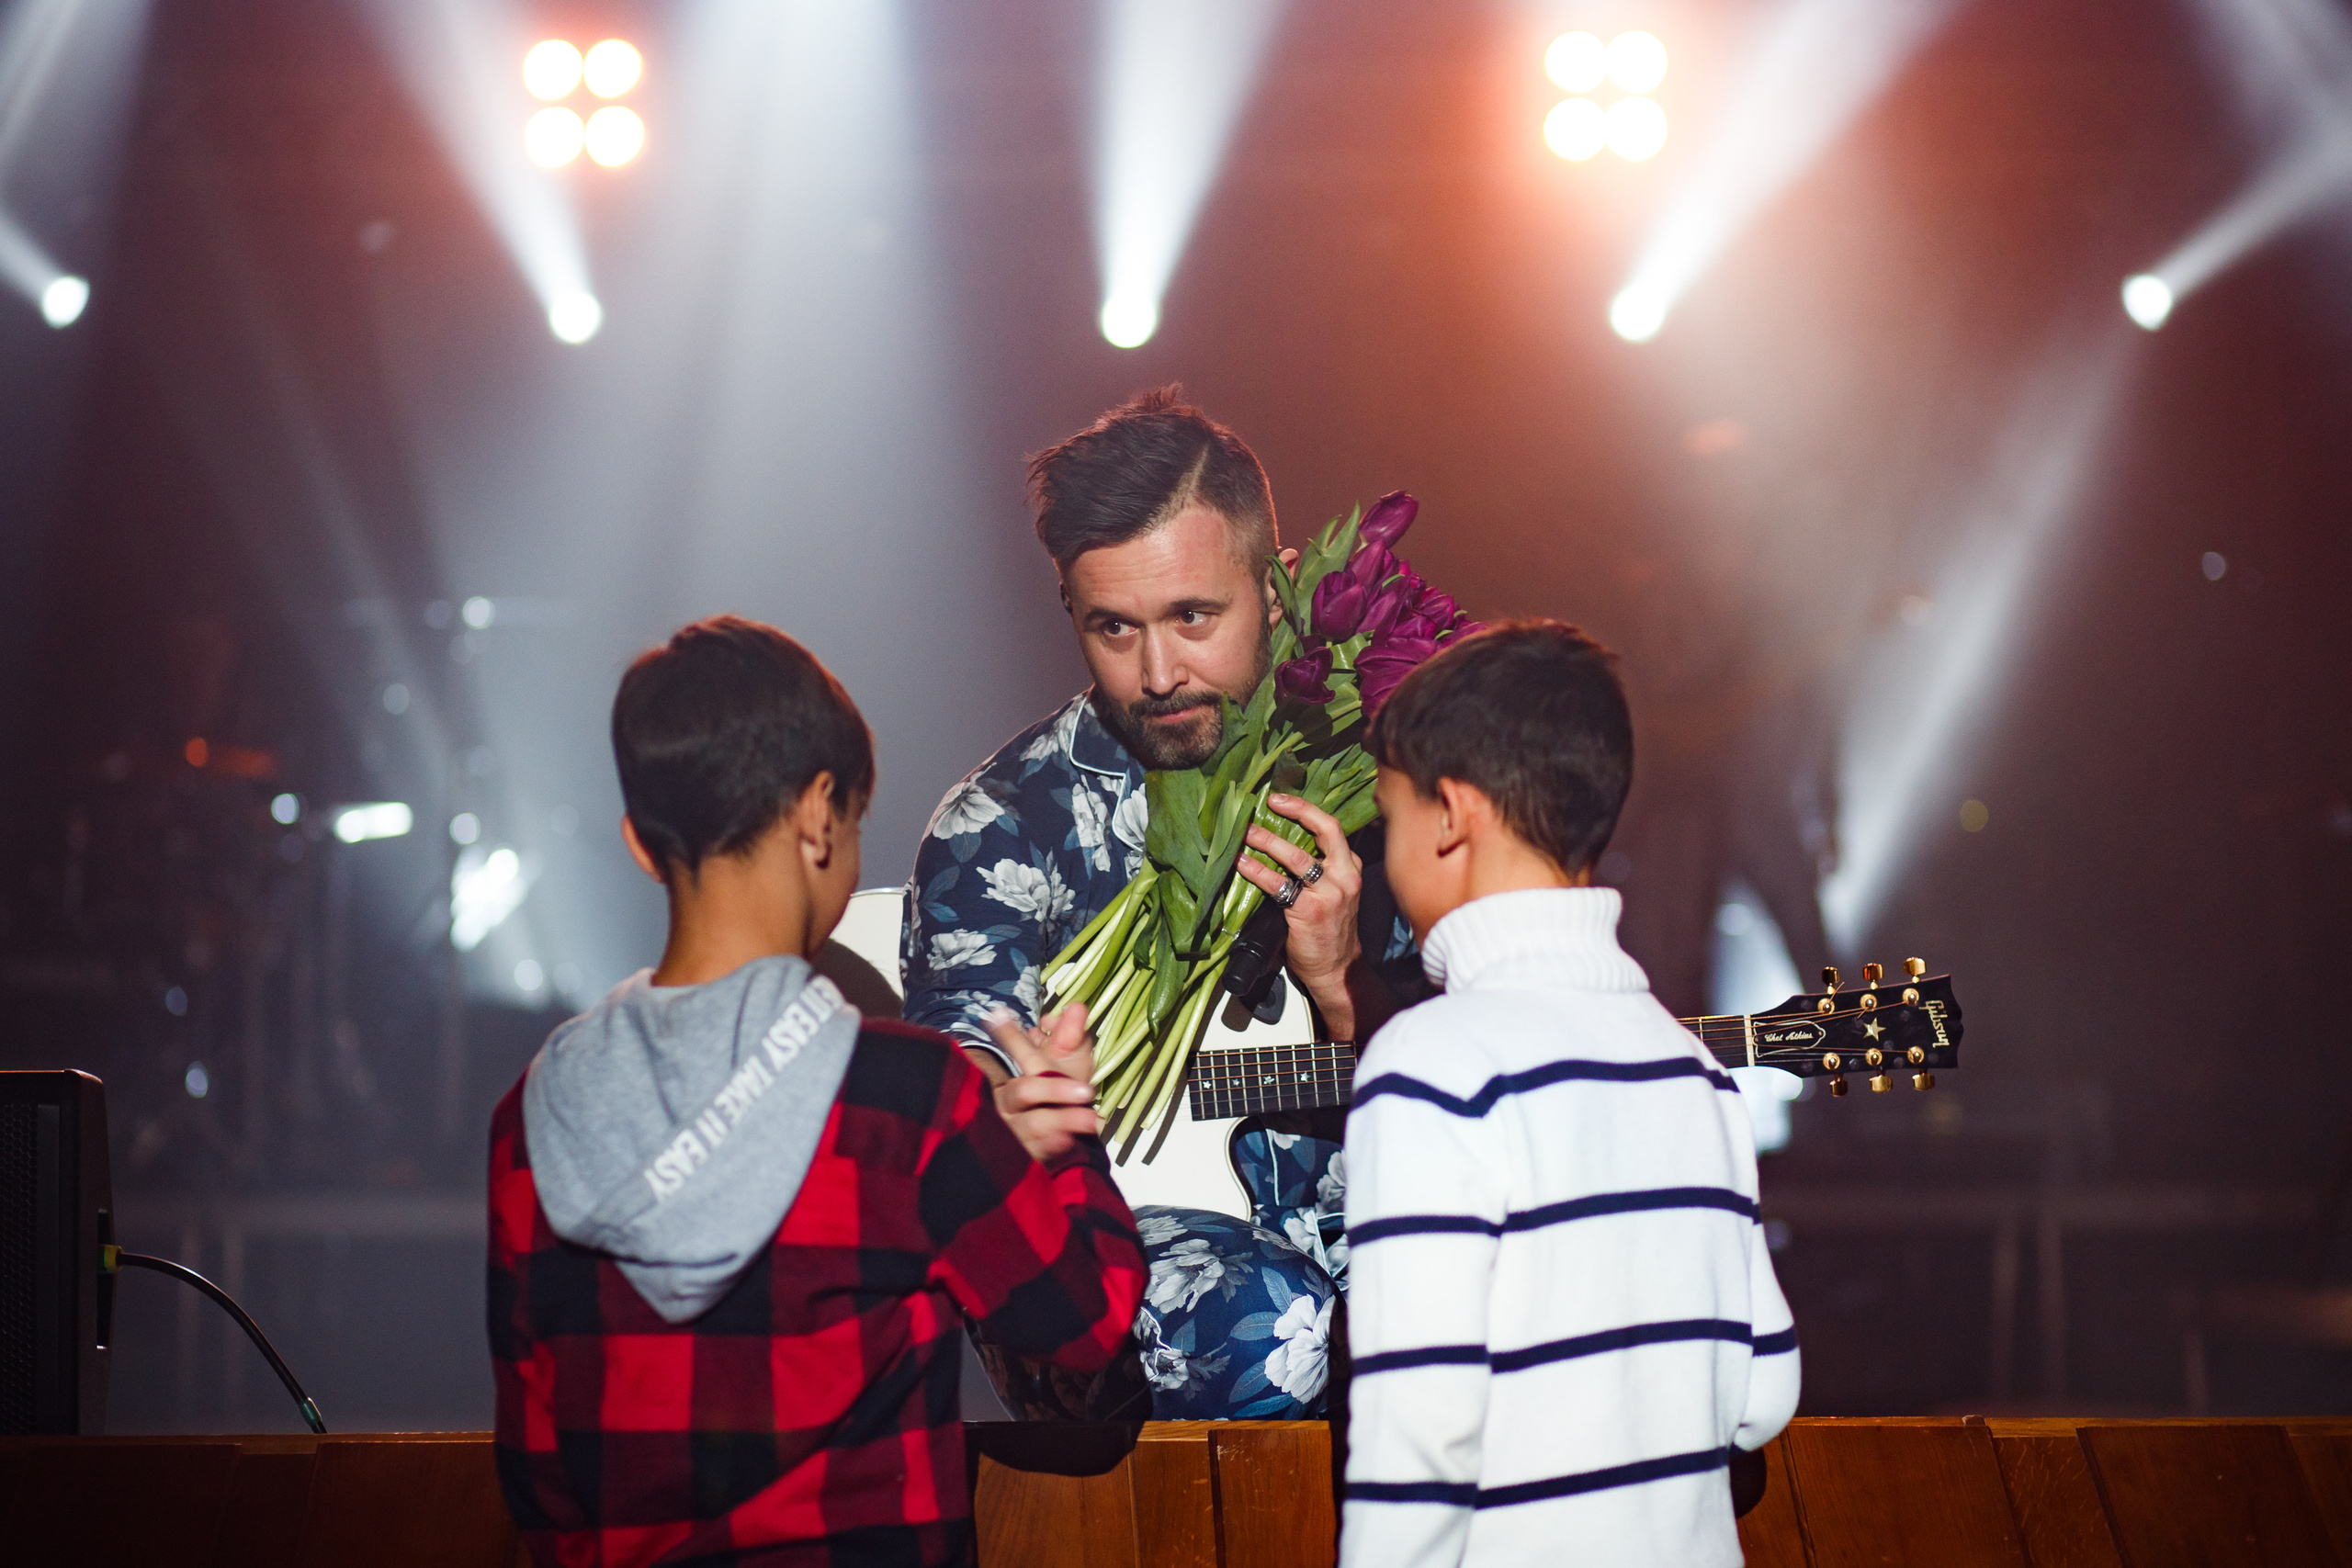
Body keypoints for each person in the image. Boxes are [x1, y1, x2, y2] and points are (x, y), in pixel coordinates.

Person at [488, 615, 1145, 1567]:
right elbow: (1083, 1327)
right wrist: (1068, 1134)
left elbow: (535, 1479)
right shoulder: (906, 1099)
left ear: (639, 843)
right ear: (818, 815)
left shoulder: (533, 1115)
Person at [901, 388, 1426, 1419]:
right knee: (1281, 1328)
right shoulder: (1002, 824)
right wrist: (995, 1108)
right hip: (1116, 1254)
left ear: (1275, 592)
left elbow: (1462, 1068)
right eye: (1113, 628)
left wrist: (1341, 983)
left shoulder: (1381, 788)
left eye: (1193, 617)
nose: (1156, 673)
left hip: (1373, 1208)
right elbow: (964, 1074)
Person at [1342, 620, 1800, 1568]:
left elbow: (1418, 1437)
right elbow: (1763, 1397)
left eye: (1389, 818)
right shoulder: (1695, 1072)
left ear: (1451, 817)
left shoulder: (1427, 1067)